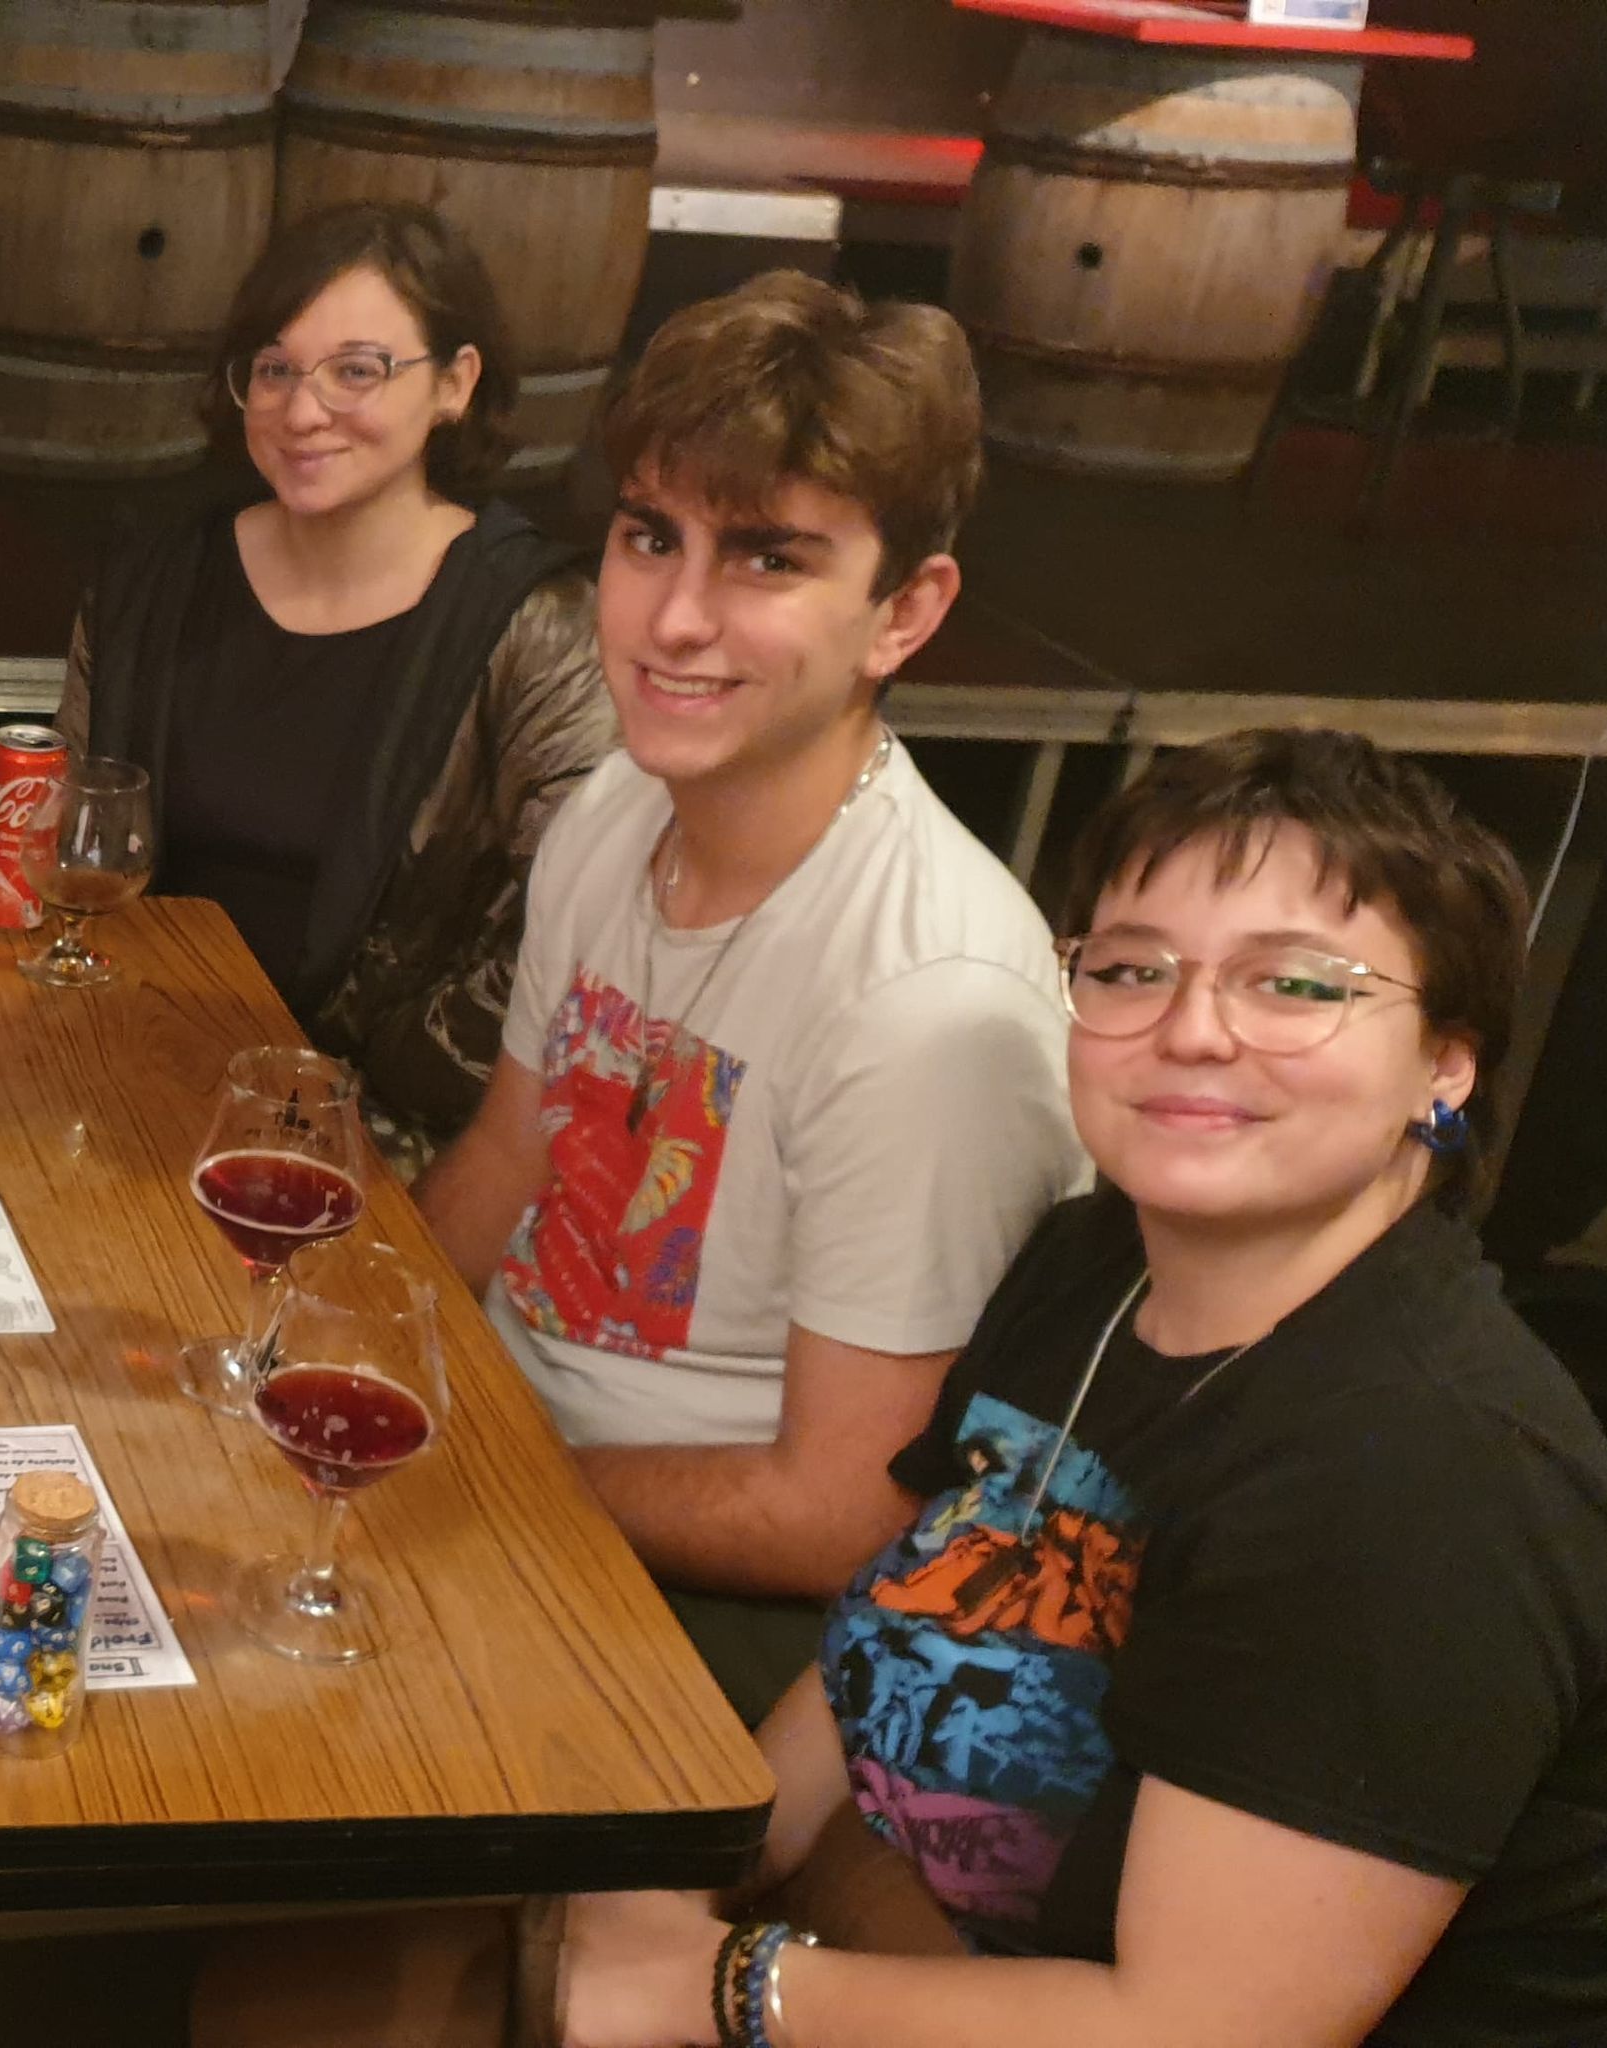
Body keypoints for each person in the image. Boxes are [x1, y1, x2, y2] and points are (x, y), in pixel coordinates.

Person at [558, 728, 1607, 2048]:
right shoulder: (1094, 1259)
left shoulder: (1424, 1480)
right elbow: (899, 1624)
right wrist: (686, 1870)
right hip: (918, 1938)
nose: (1191, 1031)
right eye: (1133, 968)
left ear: (1446, 1060)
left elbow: (1196, 2028)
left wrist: (710, 1984)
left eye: (1295, 985)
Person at [408, 271, 1085, 1720]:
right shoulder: (613, 807)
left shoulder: (932, 1003)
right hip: (499, 1457)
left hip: (718, 1602)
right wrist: (332, 1348)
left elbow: (838, 1511)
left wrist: (469, 1479)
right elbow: (508, 1154)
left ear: (903, 612)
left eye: (767, 560)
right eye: (650, 536)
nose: (674, 618)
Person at [57, 201, 616, 1173]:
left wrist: (331, 1097)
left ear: (453, 384)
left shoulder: (539, 624)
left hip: (392, 1132)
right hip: (131, 1073)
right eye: (274, 369)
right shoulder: (149, 581)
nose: (302, 410)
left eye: (356, 370)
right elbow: (67, 844)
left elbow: (572, 935)